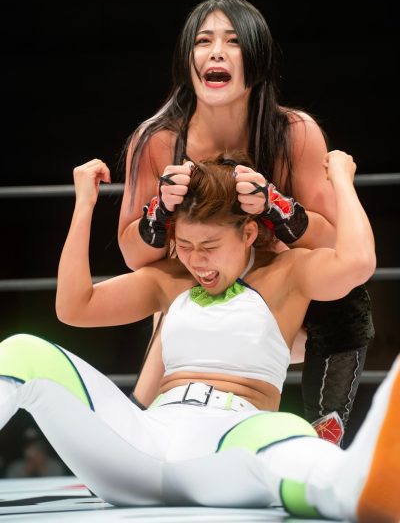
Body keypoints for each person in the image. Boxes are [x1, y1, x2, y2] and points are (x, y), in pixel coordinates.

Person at [1, 150, 394, 522]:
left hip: (231, 444)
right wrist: (84, 204)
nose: (197, 260)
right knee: (23, 351)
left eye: (210, 245)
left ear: (248, 233)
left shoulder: (287, 273)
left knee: (288, 435)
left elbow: (358, 263)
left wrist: (342, 180)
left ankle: (353, 488)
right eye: (185, 245)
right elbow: (74, 307)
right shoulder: (170, 279)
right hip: (143, 443)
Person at [117, 0, 374, 428]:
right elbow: (132, 255)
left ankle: (325, 437)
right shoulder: (157, 140)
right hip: (197, 295)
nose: (216, 51)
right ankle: (138, 421)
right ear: (187, 60)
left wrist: (277, 207)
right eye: (203, 41)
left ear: (256, 58)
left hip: (278, 303)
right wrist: (160, 211)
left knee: (347, 295)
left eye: (233, 41)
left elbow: (335, 240)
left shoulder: (294, 133)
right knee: (179, 275)